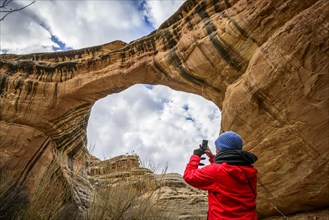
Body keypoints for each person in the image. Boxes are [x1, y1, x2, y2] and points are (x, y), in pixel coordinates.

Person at [183, 131, 258, 219]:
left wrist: (195, 156)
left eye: (217, 147)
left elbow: (189, 176)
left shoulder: (216, 171)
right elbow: (227, 169)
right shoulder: (250, 171)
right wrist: (212, 157)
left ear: (220, 149)